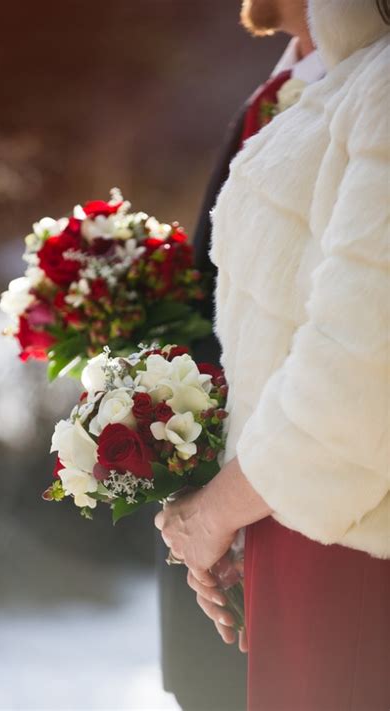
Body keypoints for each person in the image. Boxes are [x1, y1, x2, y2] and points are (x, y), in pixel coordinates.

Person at [156, 0, 390, 709]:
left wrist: (214, 512)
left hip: (353, 551)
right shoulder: (360, 77)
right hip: (302, 526)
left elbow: (363, 368)